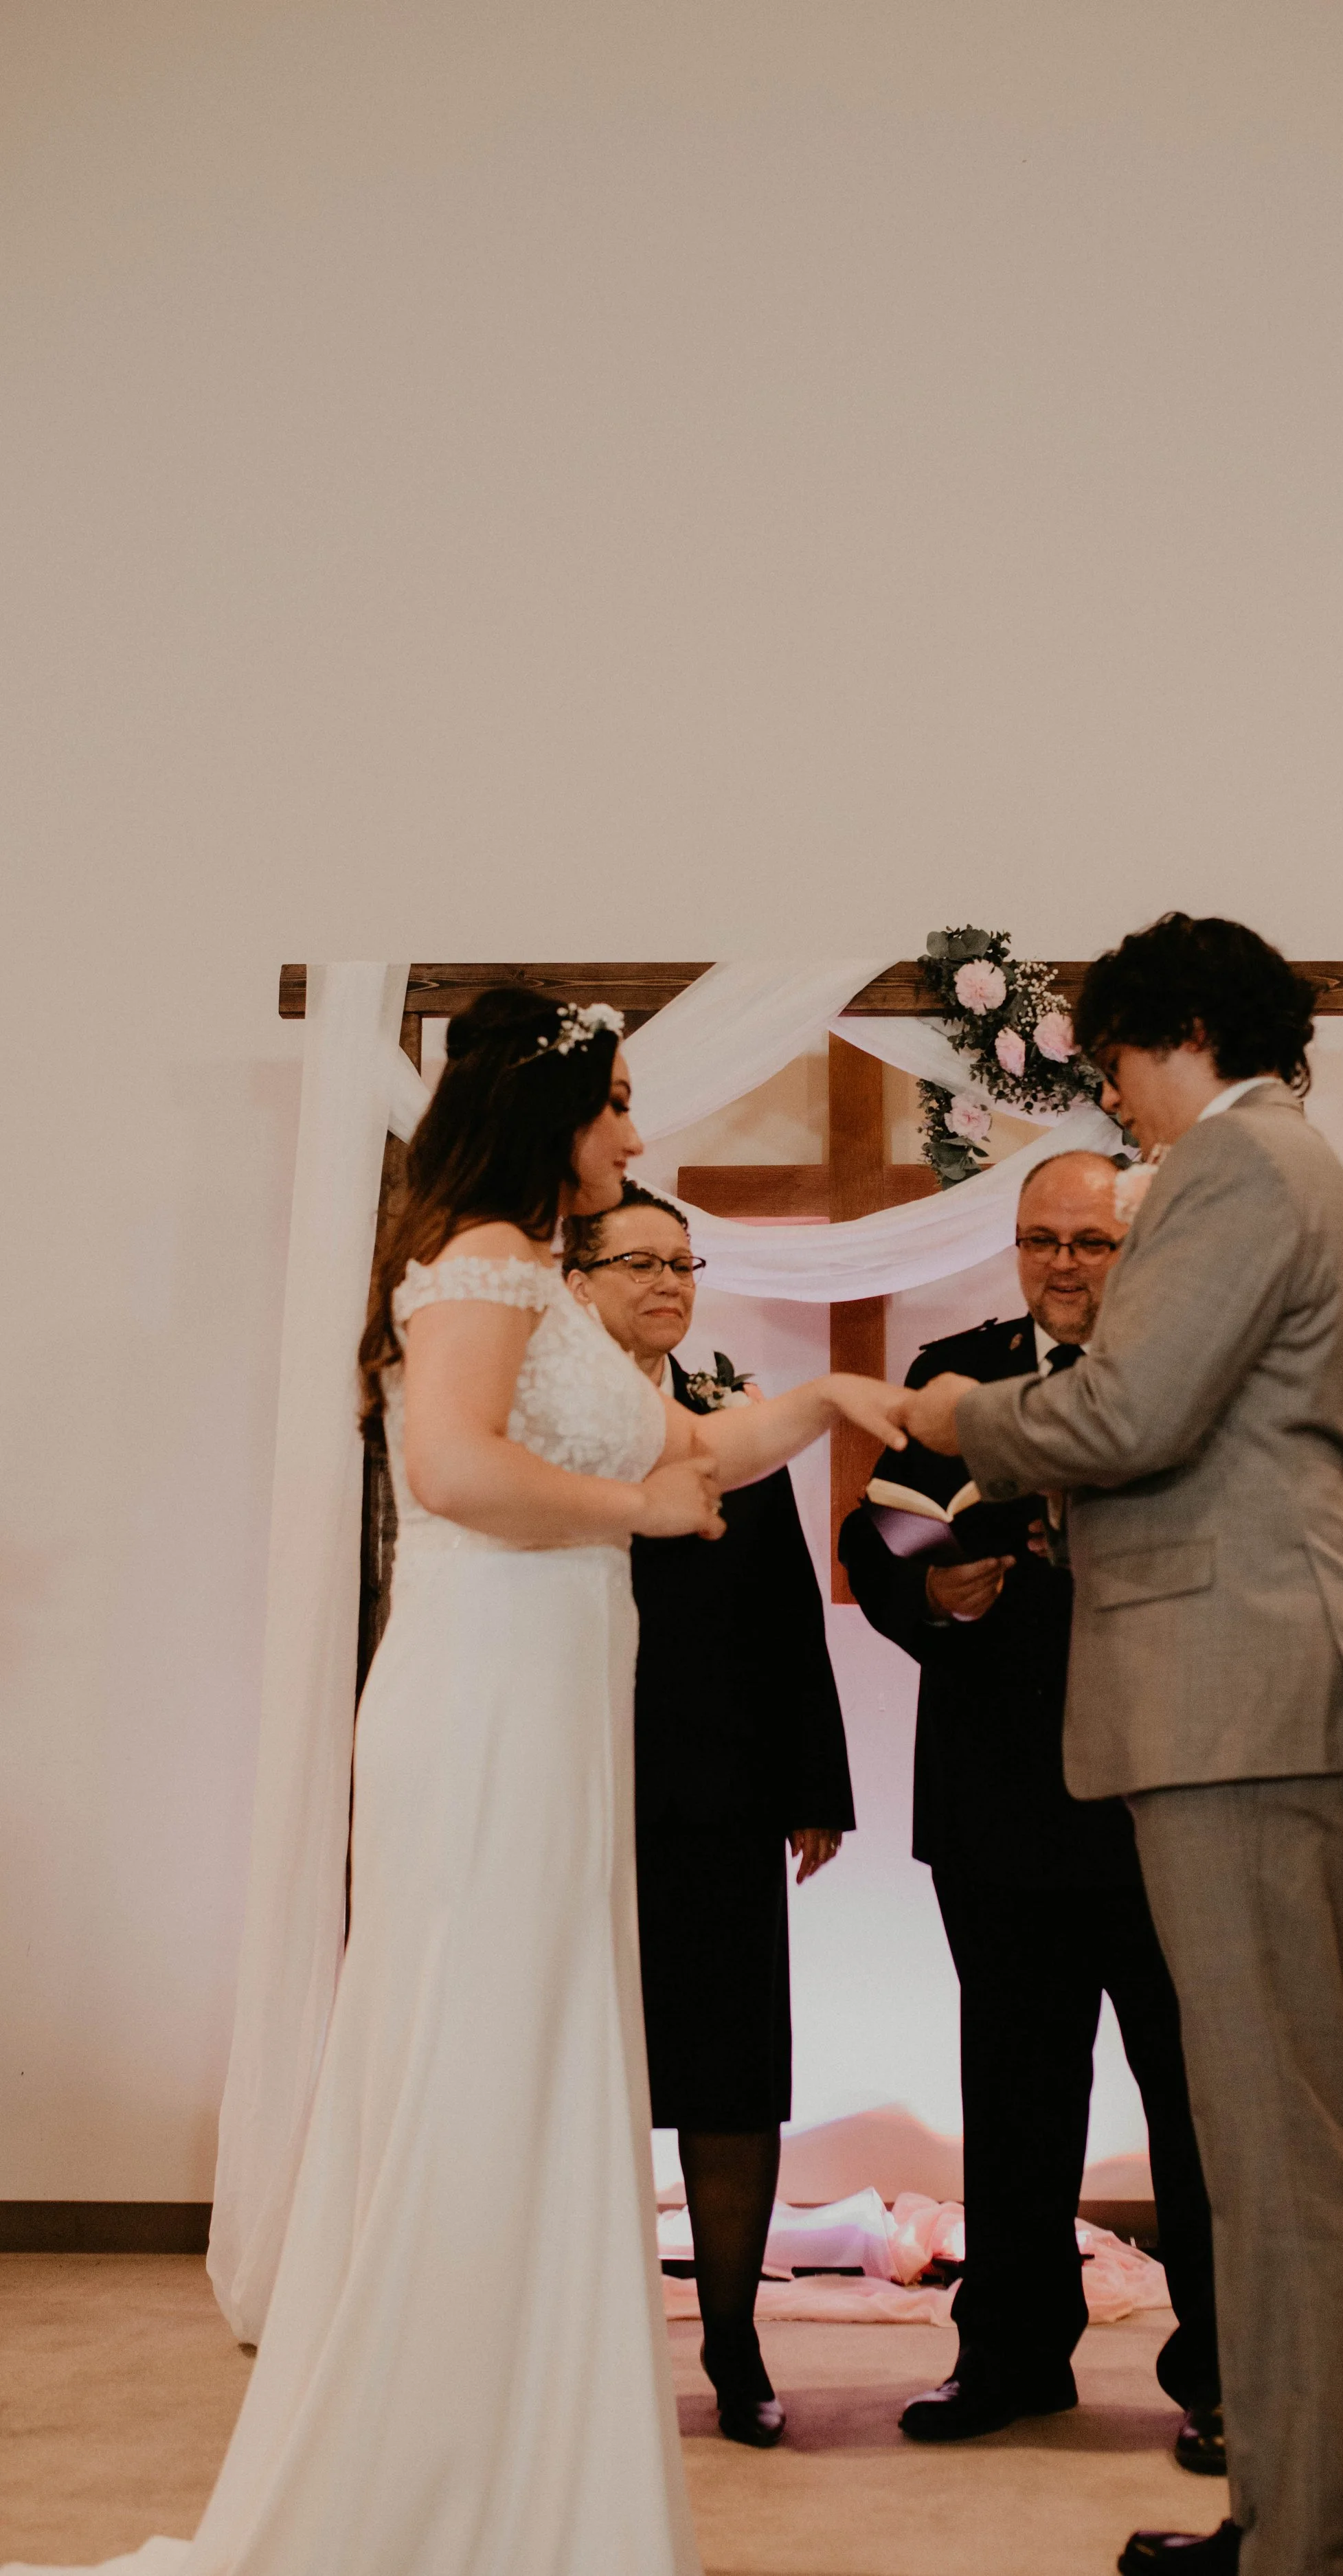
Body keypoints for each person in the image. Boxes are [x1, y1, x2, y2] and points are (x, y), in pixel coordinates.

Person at [12, 988, 907, 2576]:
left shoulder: (547, 1289)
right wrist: (635, 1520)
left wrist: (825, 1403)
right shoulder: (487, 1265)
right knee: (483, 2050)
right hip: (486, 1704)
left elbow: (688, 1453)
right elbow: (450, 1465)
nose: (635, 1134)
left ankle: (526, 2452)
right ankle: (444, 2453)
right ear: (548, 1111)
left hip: (551, 1704)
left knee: (545, 2053)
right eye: (617, 1103)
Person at [902, 914, 1343, 2576]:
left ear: (1182, 1031)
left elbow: (1129, 1416)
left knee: (1278, 2156)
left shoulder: (1233, 1166)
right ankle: (1284, 2514)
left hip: (1243, 1689)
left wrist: (948, 1420)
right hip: (1255, 1683)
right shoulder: (1281, 1167)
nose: (1115, 1107)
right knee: (1269, 2149)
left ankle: (1316, 2545)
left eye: (1117, 1065)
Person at [838, 1150, 1221, 2470]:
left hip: (1163, 1797)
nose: (1063, 1263)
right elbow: (874, 1530)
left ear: (1140, 1248)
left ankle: (1225, 2375)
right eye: (1041, 1239)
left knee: (1194, 2100)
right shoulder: (958, 1368)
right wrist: (925, 1592)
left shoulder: (1195, 1364)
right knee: (1009, 2099)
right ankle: (1008, 2356)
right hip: (999, 1800)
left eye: (1093, 1242)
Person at [571, 1180, 855, 2451]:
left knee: (732, 2081)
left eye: (685, 1263)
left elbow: (788, 1621)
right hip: (574, 1795)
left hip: (723, 1798)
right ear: (573, 1277)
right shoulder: (544, 1430)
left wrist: (813, 1787)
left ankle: (736, 2342)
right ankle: (580, 2344)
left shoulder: (729, 1426)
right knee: (577, 2077)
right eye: (640, 1260)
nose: (670, 1284)